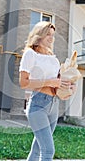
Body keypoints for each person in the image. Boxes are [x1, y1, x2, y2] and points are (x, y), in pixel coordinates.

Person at [19, 21, 74, 161]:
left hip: (53, 104)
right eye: (48, 34)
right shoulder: (30, 54)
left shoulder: (52, 58)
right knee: (48, 150)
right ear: (39, 35)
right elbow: (23, 82)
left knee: (38, 149)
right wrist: (49, 82)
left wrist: (67, 89)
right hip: (38, 104)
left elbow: (57, 83)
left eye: (53, 35)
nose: (51, 38)